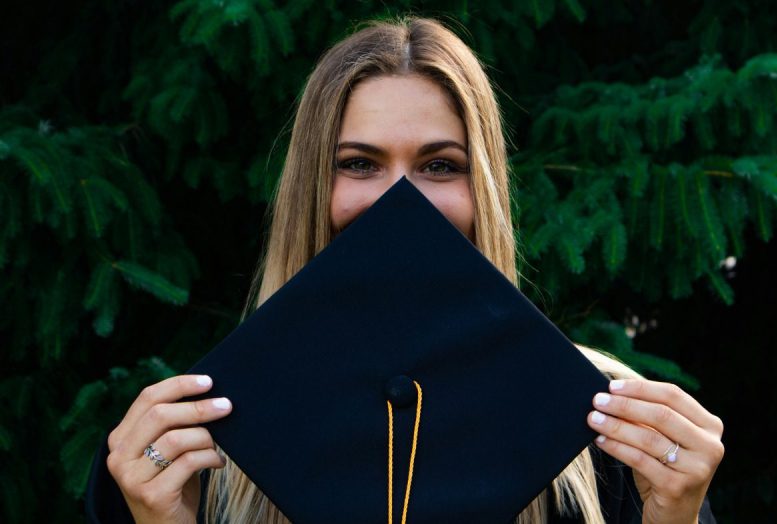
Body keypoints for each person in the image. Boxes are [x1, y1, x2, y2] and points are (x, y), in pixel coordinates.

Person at [89, 16, 724, 524]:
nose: (400, 201)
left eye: (440, 165)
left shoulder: (601, 436)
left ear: (485, 192)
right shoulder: (188, 447)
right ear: (313, 187)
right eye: (359, 164)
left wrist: (674, 519)